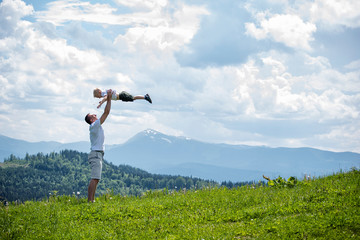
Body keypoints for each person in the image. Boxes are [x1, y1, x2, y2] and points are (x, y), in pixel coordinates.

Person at [84, 89, 112, 202]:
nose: (96, 114)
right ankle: (90, 200)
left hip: (97, 154)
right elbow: (106, 113)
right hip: (96, 154)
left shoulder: (94, 126)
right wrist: (109, 99)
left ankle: (91, 200)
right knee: (95, 178)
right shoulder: (94, 125)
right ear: (91, 119)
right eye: (93, 115)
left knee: (96, 178)